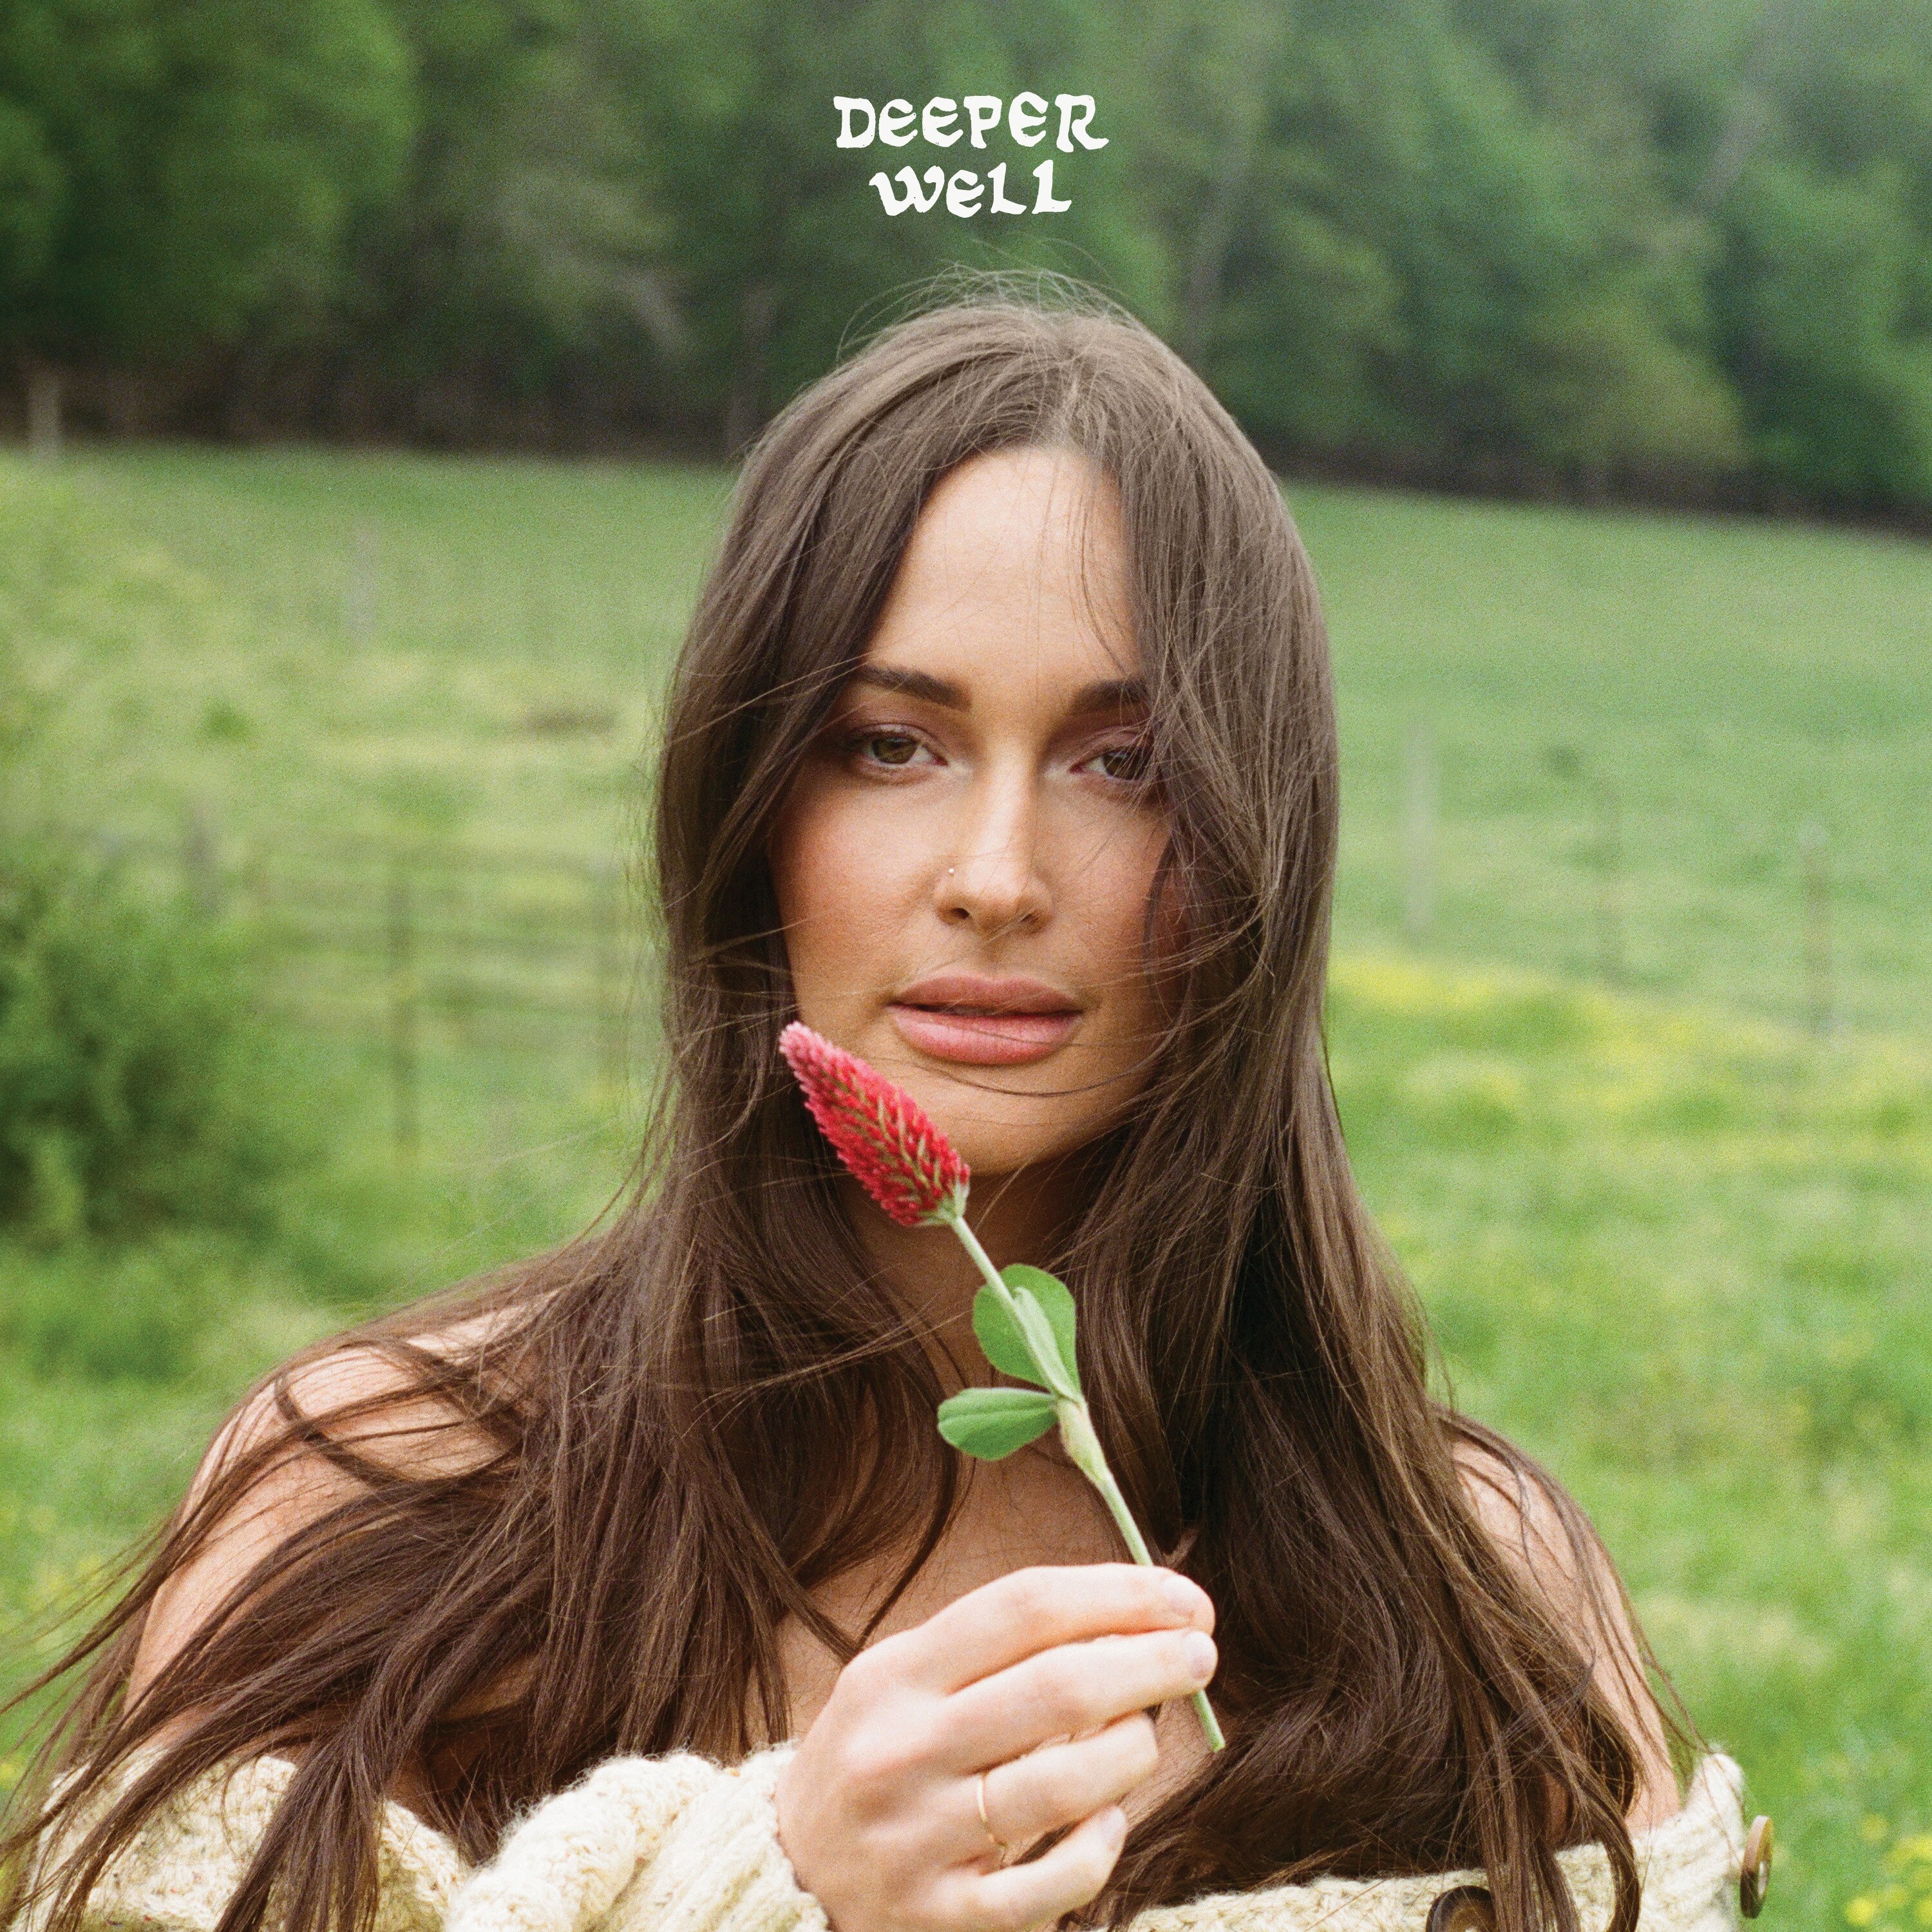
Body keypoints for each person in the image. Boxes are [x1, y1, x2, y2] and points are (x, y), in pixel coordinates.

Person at [1, 274, 1750, 1932]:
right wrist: (755, 1891)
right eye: (888, 744)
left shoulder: (1468, 1596)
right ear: (747, 814)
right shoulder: (386, 1507)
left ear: (1257, 850)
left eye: (1123, 763)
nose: (995, 875)